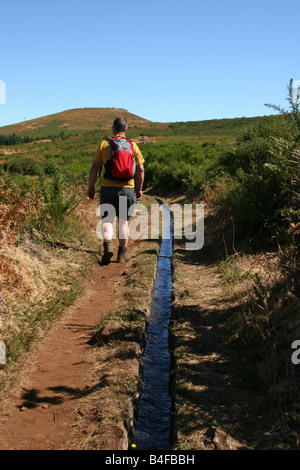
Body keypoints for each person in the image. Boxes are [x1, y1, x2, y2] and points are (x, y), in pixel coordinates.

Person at [88, 117, 145, 264]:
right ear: (125, 129)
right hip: (127, 188)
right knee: (124, 221)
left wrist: (91, 186)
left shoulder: (105, 144)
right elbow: (140, 169)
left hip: (108, 187)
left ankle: (108, 246)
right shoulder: (133, 146)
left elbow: (95, 167)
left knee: (107, 219)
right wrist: (139, 189)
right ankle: (122, 254)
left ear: (113, 128)